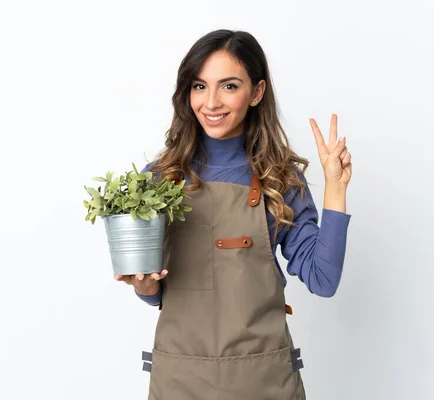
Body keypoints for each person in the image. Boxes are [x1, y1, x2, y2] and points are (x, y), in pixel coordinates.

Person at [114, 29, 352, 400]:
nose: (210, 102)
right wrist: (144, 285)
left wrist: (335, 186)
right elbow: (155, 290)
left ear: (256, 92)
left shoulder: (280, 179)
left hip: (263, 383)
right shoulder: (159, 179)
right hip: (180, 381)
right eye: (198, 86)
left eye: (228, 86)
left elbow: (323, 280)